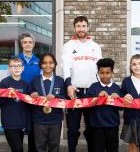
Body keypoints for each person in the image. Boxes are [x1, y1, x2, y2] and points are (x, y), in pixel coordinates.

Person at [61, 15, 102, 152]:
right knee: (72, 129)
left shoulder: (96, 46)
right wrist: (68, 85)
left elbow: (100, 69)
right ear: (74, 28)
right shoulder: (68, 46)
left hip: (92, 93)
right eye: (78, 26)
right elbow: (65, 67)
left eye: (83, 26)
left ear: (88, 27)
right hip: (75, 93)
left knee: (92, 128)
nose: (81, 28)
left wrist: (100, 87)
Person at [29, 53, 65, 152]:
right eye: (44, 63)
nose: (48, 65)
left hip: (55, 119)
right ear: (41, 65)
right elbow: (29, 94)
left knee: (54, 146)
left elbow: (65, 98)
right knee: (40, 147)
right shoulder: (35, 80)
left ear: (54, 64)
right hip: (39, 119)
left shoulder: (60, 81)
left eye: (50, 63)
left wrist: (56, 97)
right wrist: (33, 93)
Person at [86, 58, 122, 152]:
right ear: (98, 73)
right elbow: (86, 103)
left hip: (112, 127)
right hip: (96, 127)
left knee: (113, 149)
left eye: (107, 72)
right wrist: (97, 96)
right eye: (102, 73)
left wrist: (118, 99)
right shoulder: (93, 87)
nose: (105, 75)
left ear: (112, 73)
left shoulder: (117, 88)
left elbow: (121, 108)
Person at [0, 57, 28, 152]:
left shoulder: (26, 84)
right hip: (9, 123)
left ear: (23, 68)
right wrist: (6, 94)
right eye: (13, 66)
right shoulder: (4, 82)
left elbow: (29, 103)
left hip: (21, 122)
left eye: (19, 66)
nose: (17, 68)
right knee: (18, 149)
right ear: (9, 69)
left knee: (17, 148)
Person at [17, 33, 41, 152]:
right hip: (19, 99)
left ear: (33, 44)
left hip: (34, 99)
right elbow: (9, 78)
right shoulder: (15, 60)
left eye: (30, 42)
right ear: (21, 44)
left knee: (32, 130)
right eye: (25, 42)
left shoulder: (39, 61)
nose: (27, 44)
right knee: (20, 128)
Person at [120, 54, 140, 152]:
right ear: (131, 67)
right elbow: (121, 97)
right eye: (134, 64)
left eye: (139, 64)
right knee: (133, 147)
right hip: (131, 118)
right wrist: (124, 96)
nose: (137, 66)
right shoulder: (126, 81)